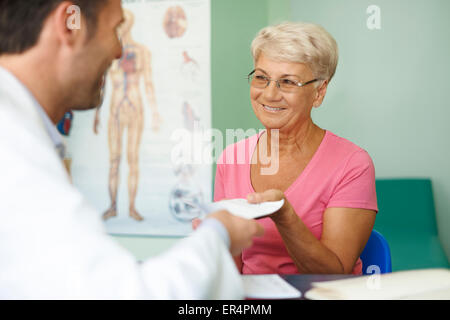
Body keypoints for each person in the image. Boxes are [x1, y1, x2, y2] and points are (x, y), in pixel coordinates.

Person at [0, 0, 263, 299]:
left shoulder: (18, 129)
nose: (117, 51)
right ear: (69, 23)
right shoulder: (13, 148)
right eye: (114, 29)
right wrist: (218, 233)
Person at [214, 22, 378, 275]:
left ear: (319, 92)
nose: (269, 94)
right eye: (261, 77)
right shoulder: (231, 157)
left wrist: (285, 216)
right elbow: (229, 271)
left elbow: (334, 273)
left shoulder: (352, 164)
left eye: (288, 82)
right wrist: (212, 239)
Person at [93, 9, 161, 222]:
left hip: (135, 108)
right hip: (115, 109)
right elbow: (101, 85)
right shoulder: (108, 53)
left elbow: (149, 82)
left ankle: (131, 207)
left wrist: (155, 111)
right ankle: (112, 206)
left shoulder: (142, 51)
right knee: (114, 159)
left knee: (132, 159)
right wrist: (96, 112)